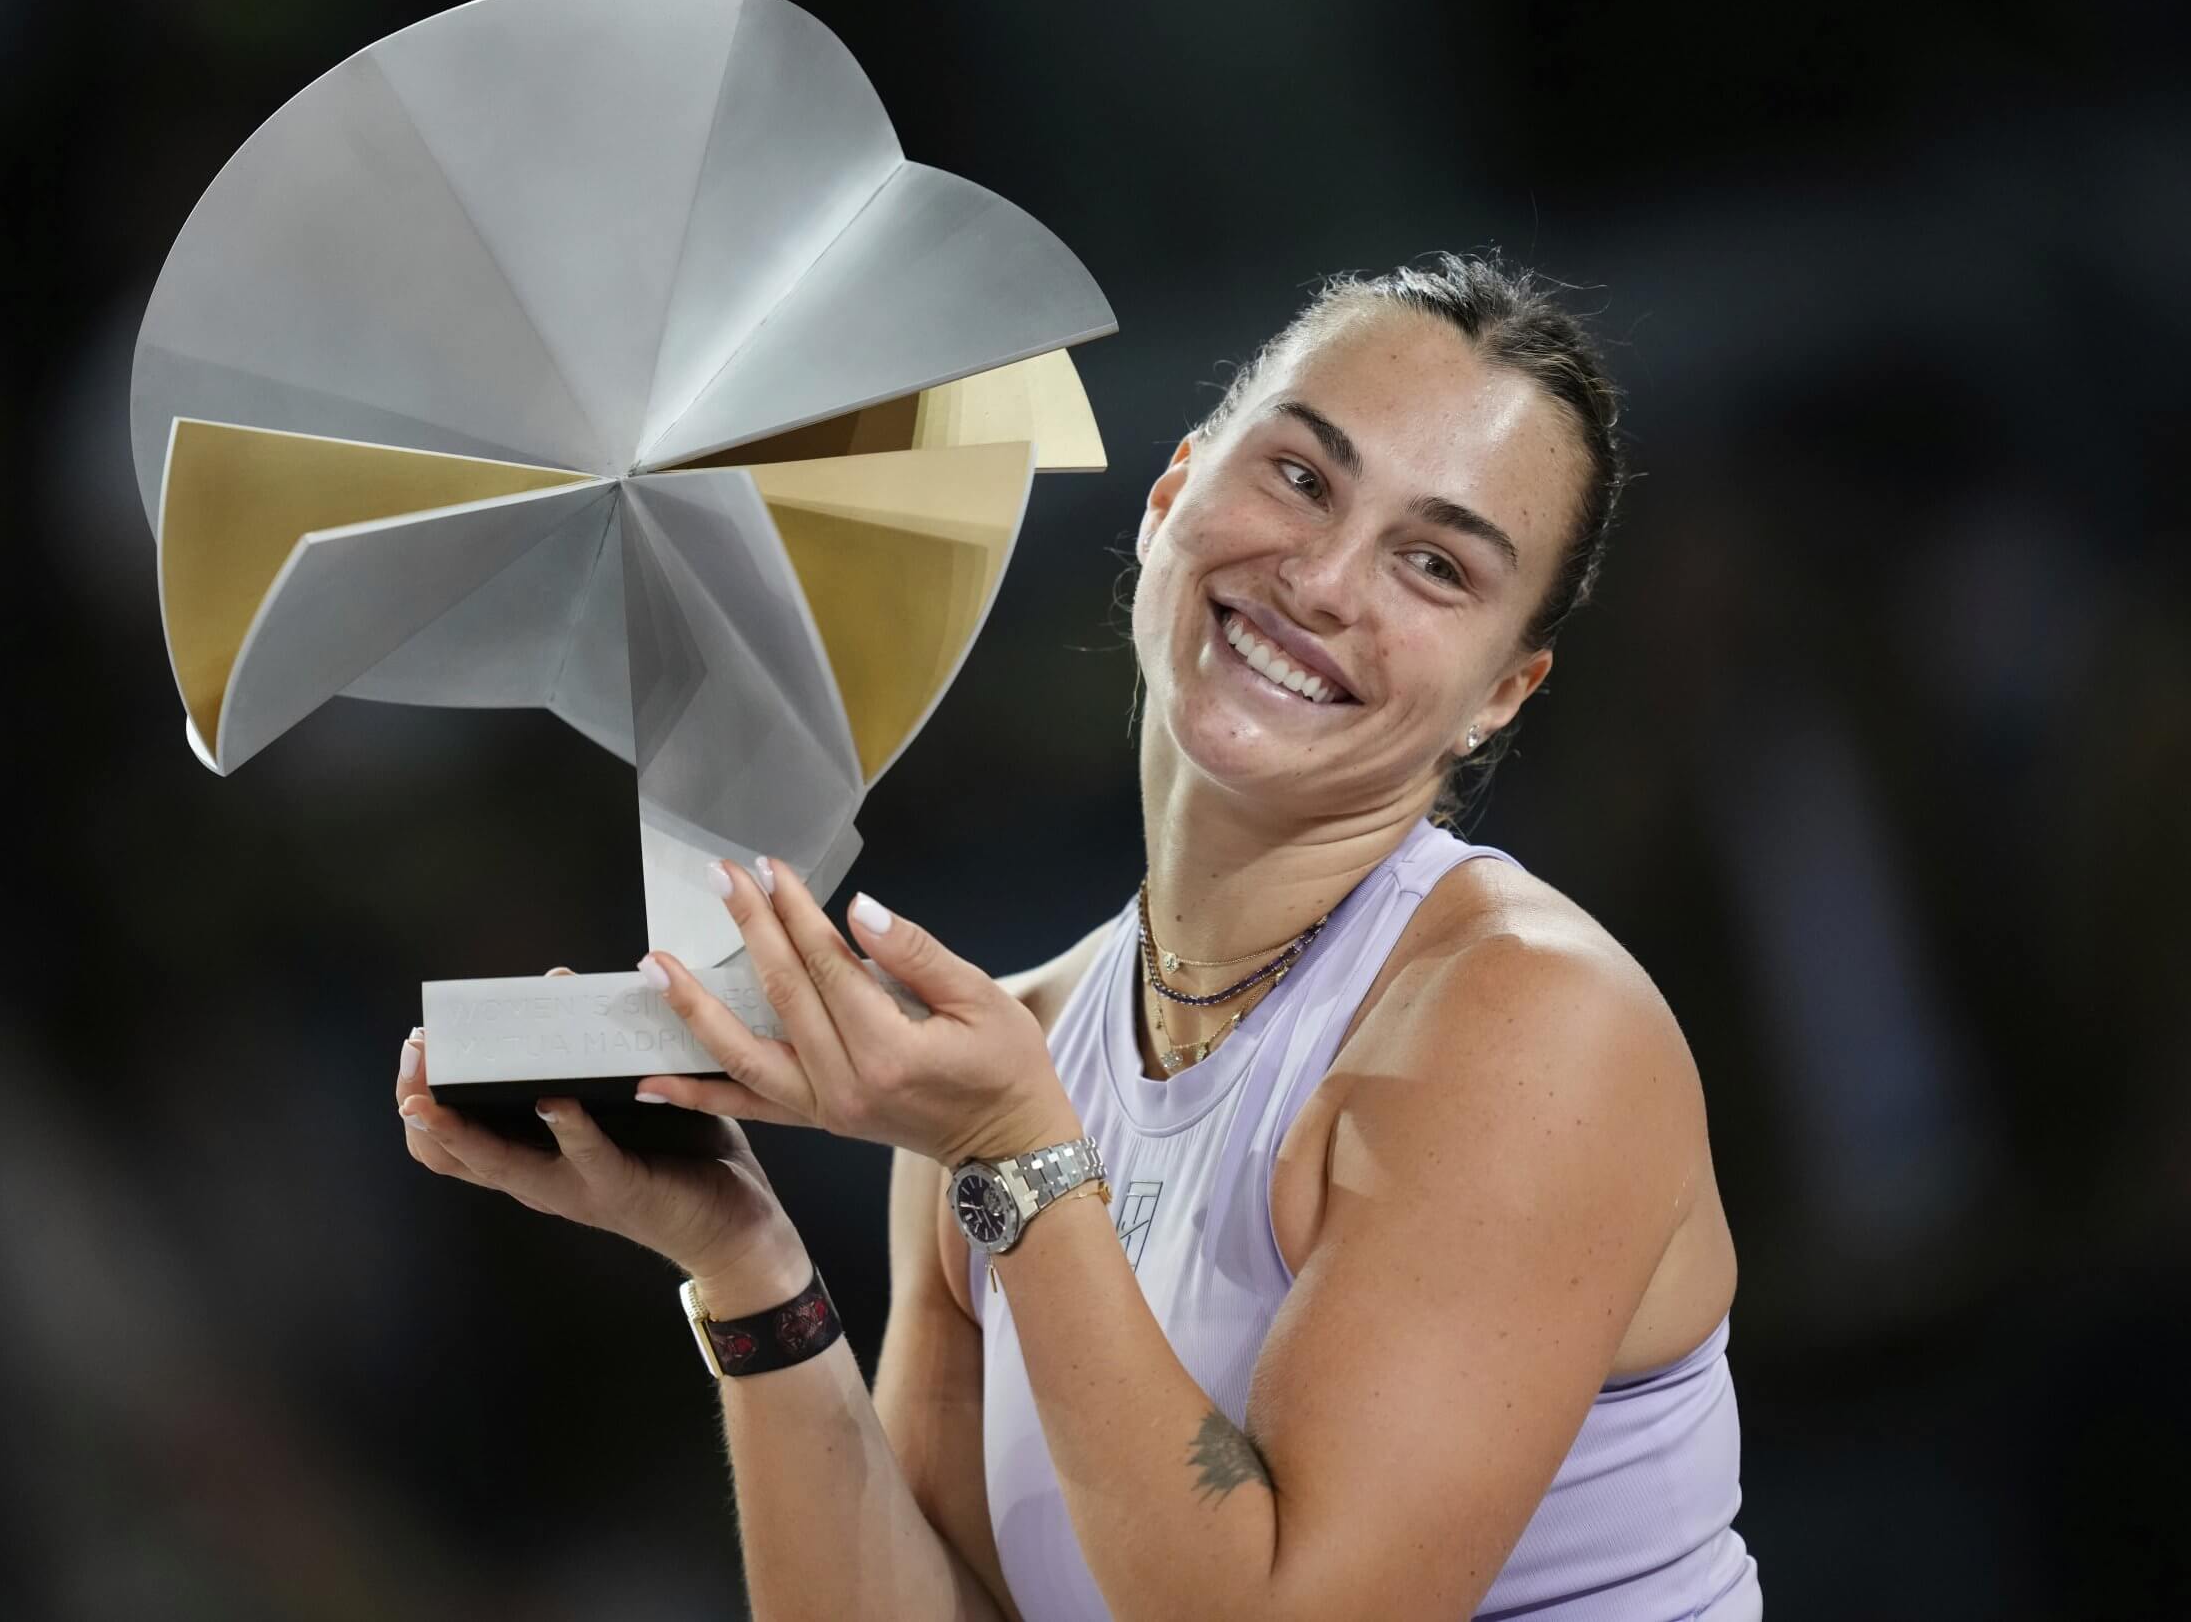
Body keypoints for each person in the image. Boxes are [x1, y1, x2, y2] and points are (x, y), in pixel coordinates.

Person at [394, 250, 1762, 1621]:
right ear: (1173, 493)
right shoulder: (1022, 1049)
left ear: (1503, 692)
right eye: (1300, 477)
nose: (1325, 580)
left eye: (1435, 564)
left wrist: (1016, 1157)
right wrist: (746, 1264)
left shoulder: (1532, 1024)